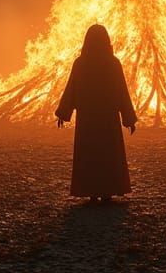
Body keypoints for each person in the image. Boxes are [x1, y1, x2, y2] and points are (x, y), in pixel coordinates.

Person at [55, 24, 137, 202]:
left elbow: (71, 90)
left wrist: (63, 112)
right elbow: (122, 92)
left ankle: (91, 191)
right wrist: (129, 119)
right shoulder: (113, 63)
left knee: (89, 153)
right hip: (108, 121)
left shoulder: (81, 63)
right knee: (109, 154)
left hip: (88, 121)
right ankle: (108, 190)